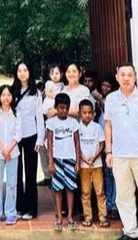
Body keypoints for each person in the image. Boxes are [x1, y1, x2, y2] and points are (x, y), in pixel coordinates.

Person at [105, 63, 138, 240]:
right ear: (117, 77)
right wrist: (108, 151)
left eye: (130, 75)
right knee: (123, 196)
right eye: (123, 75)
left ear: (135, 77)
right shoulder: (111, 99)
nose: (126, 78)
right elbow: (108, 126)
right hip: (120, 155)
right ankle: (130, 231)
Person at [10, 62, 44, 220]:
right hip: (15, 137)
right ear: (16, 73)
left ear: (30, 72)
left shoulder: (36, 93)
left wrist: (40, 138)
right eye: (19, 70)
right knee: (16, 172)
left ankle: (31, 208)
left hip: (31, 135)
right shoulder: (11, 91)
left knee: (30, 173)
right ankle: (18, 206)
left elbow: (39, 117)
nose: (22, 73)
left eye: (25, 70)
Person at [46, 93, 80, 231]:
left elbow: (77, 142)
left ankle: (70, 216)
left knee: (70, 188)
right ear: (56, 107)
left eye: (66, 108)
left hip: (70, 159)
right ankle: (59, 215)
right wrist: (50, 162)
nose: (64, 111)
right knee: (58, 188)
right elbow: (49, 142)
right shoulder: (51, 122)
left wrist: (77, 161)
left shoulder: (73, 123)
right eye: (61, 108)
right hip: (57, 159)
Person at [0, 84, 22, 225]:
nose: (6, 97)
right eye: (3, 95)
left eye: (9, 94)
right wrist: (4, 150)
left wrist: (9, 149)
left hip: (13, 153)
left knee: (11, 184)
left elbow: (19, 134)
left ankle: (10, 213)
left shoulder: (17, 113)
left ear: (12, 97)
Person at [78, 99, 108, 228]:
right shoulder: (77, 128)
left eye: (90, 112)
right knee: (85, 192)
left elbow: (102, 144)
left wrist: (94, 157)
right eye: (84, 112)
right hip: (84, 166)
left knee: (100, 191)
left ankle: (103, 217)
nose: (87, 115)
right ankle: (88, 216)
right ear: (79, 113)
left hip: (97, 165)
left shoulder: (97, 127)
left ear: (94, 113)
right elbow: (76, 145)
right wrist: (84, 159)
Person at [97, 77, 118, 219]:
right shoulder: (98, 107)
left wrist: (100, 101)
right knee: (107, 175)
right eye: (103, 85)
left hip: (114, 145)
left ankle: (115, 205)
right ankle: (109, 204)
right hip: (102, 145)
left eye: (108, 86)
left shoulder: (112, 102)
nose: (105, 88)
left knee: (115, 175)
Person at [39, 64, 63, 187]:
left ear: (61, 75)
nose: (55, 75)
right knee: (43, 148)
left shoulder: (64, 87)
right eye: (53, 73)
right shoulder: (48, 84)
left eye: (57, 73)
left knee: (53, 149)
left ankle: (55, 176)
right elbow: (49, 94)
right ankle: (47, 176)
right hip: (46, 122)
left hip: (58, 123)